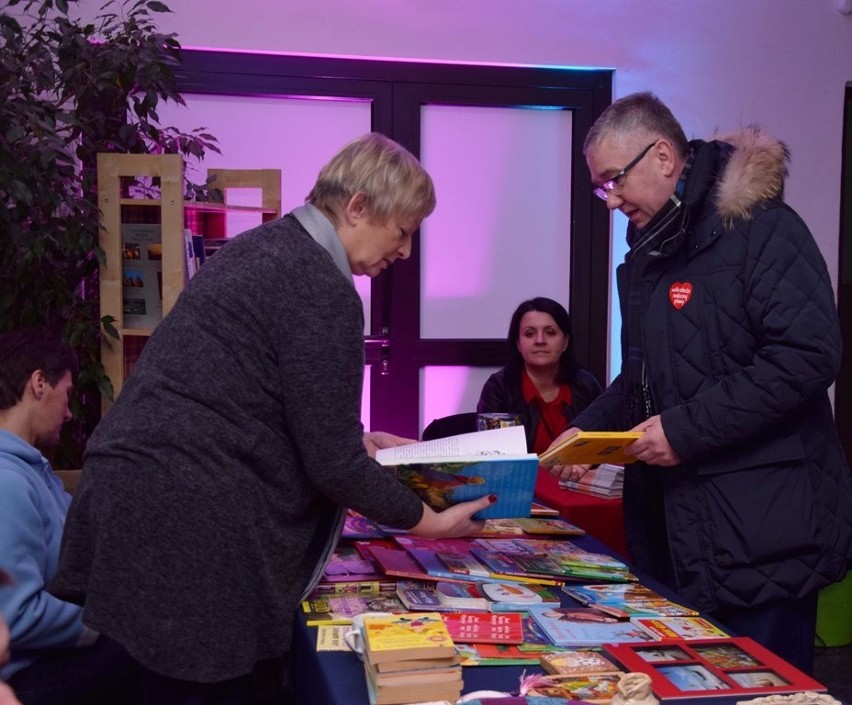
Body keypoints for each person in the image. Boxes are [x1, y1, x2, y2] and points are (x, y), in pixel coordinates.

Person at [50, 133, 495, 704]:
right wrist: (429, 523)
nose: (405, 253)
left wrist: (354, 437)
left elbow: (249, 394)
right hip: (191, 518)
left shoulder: (263, 247)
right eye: (403, 231)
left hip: (140, 496)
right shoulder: (321, 284)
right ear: (357, 207)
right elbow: (330, 463)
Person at [548, 91, 852, 673]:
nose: (609, 200)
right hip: (679, 532)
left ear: (663, 156)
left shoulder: (763, 230)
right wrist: (585, 432)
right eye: (600, 186)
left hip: (764, 535)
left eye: (615, 180)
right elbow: (639, 378)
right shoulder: (646, 256)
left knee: (761, 687)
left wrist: (683, 431)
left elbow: (808, 357)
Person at [0, 329, 137, 705]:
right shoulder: (7, 482)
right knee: (151, 648)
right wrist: (104, 623)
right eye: (68, 394)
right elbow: (16, 615)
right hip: (24, 676)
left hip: (40, 661)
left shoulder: (32, 471)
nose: (70, 411)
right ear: (39, 383)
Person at [477, 297, 602, 454]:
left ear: (565, 342)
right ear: (518, 344)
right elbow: (494, 456)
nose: (540, 340)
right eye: (529, 334)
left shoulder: (585, 385)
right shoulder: (499, 388)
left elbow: (600, 448)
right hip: (521, 477)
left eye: (550, 333)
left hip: (578, 477)